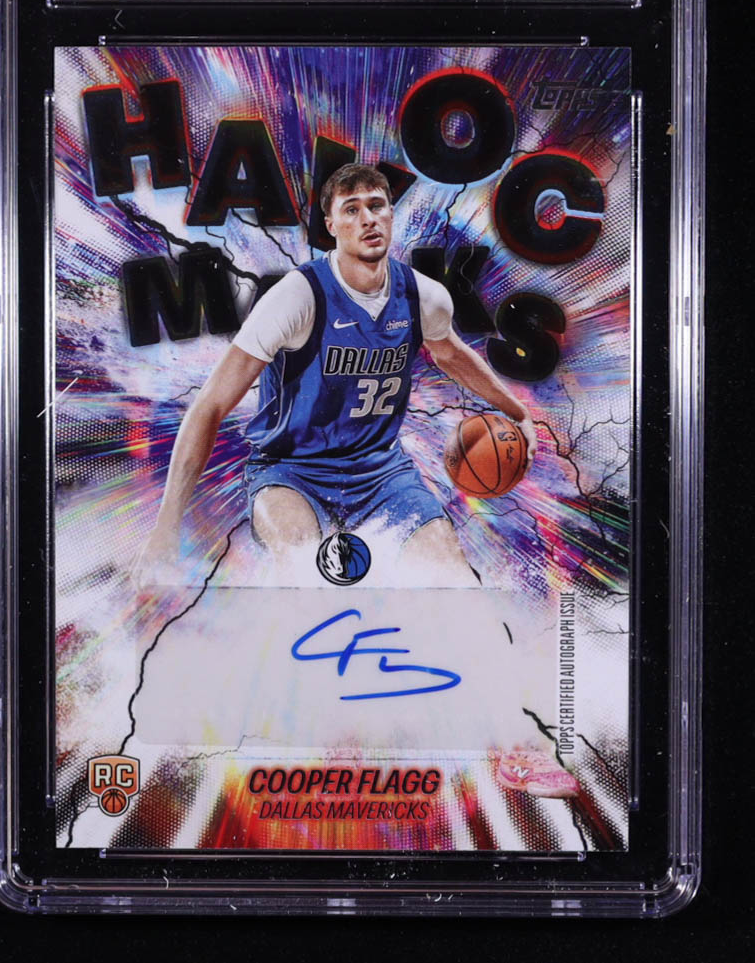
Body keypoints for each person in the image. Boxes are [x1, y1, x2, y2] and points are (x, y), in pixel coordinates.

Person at [135, 163, 578, 799]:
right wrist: (165, 525)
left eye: (377, 205)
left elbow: (450, 351)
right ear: (330, 225)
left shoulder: (423, 296)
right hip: (291, 470)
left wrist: (514, 410)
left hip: (379, 471)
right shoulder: (297, 298)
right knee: (306, 566)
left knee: (455, 585)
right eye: (352, 209)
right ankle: (330, 719)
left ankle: (515, 742)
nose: (368, 218)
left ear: (391, 216)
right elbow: (210, 406)